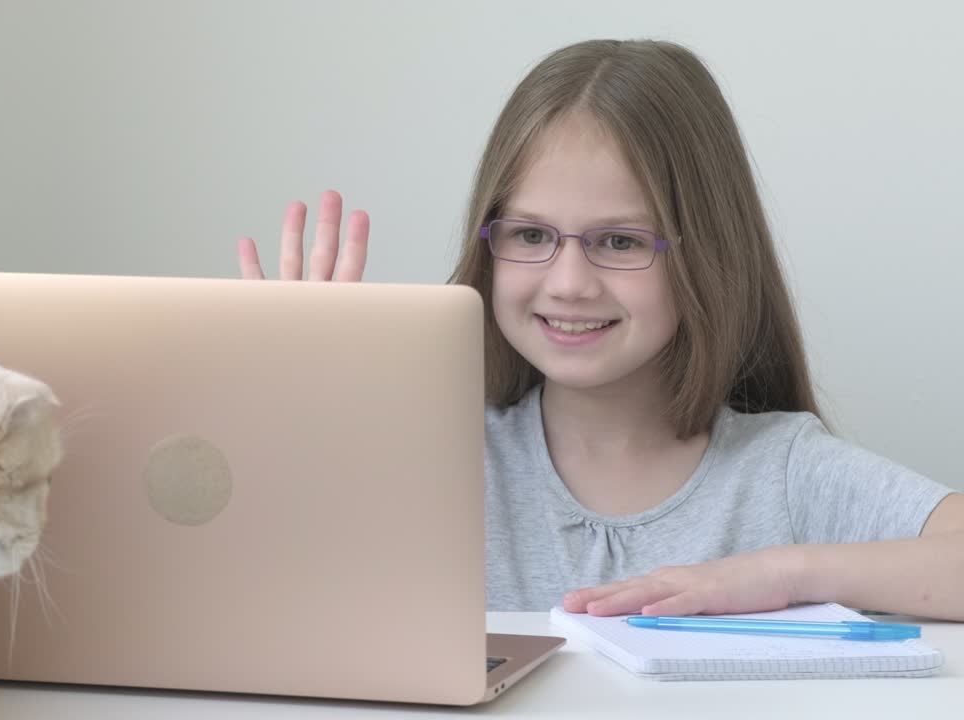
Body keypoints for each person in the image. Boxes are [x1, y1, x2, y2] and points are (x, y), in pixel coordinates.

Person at [236, 39, 964, 619]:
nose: (568, 282)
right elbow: (255, 577)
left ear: (706, 254)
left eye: (619, 242)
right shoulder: (433, 457)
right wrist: (300, 416)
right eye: (530, 235)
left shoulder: (782, 472)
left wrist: (780, 574)